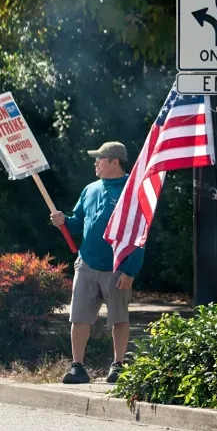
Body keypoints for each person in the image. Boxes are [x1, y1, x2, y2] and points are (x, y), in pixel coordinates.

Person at [50, 142, 144, 385]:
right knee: (79, 317)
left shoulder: (133, 191)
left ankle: (118, 365)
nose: (95, 162)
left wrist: (130, 271)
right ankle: (77, 367)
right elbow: (77, 222)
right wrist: (63, 220)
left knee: (119, 318)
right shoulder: (90, 189)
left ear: (115, 162)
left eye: (100, 158)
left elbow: (140, 234)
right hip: (87, 263)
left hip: (118, 267)